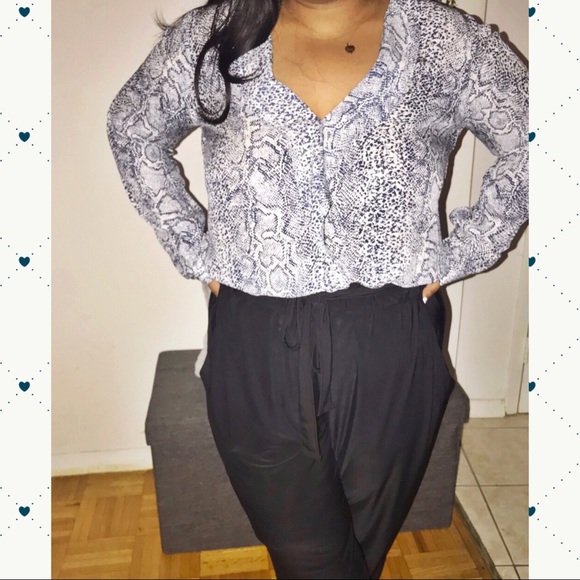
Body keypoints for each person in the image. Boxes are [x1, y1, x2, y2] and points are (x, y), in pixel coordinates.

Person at [106, 0, 528, 577]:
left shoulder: (446, 41)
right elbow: (132, 128)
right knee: (310, 556)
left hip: (393, 337)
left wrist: (464, 251)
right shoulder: (214, 35)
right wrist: (194, 248)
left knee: (362, 547)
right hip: (256, 339)